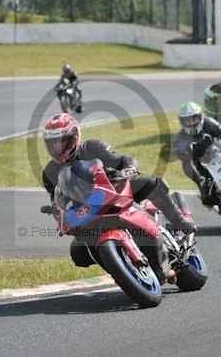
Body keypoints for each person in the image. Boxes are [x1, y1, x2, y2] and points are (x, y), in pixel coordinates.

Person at [41, 113, 196, 283]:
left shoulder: (93, 147)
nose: (57, 147)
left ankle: (180, 221)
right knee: (78, 255)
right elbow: (56, 200)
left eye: (61, 141)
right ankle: (122, 265)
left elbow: (121, 160)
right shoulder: (49, 173)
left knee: (151, 183)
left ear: (74, 136)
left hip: (115, 190)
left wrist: (128, 168)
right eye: (52, 144)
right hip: (85, 212)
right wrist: (58, 213)